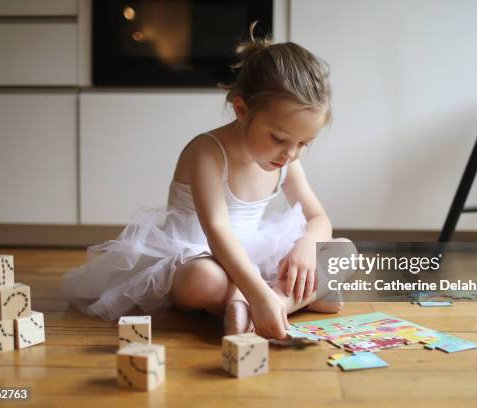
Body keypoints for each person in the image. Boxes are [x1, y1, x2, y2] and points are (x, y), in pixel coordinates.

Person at [61, 24, 356, 340]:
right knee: (203, 280)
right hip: (200, 256)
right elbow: (217, 231)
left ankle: (267, 306)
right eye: (279, 138)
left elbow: (318, 218)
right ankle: (277, 300)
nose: (291, 153)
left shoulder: (286, 159)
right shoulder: (207, 152)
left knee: (346, 252)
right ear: (242, 110)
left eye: (304, 143)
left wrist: (307, 246)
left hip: (254, 258)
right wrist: (257, 290)